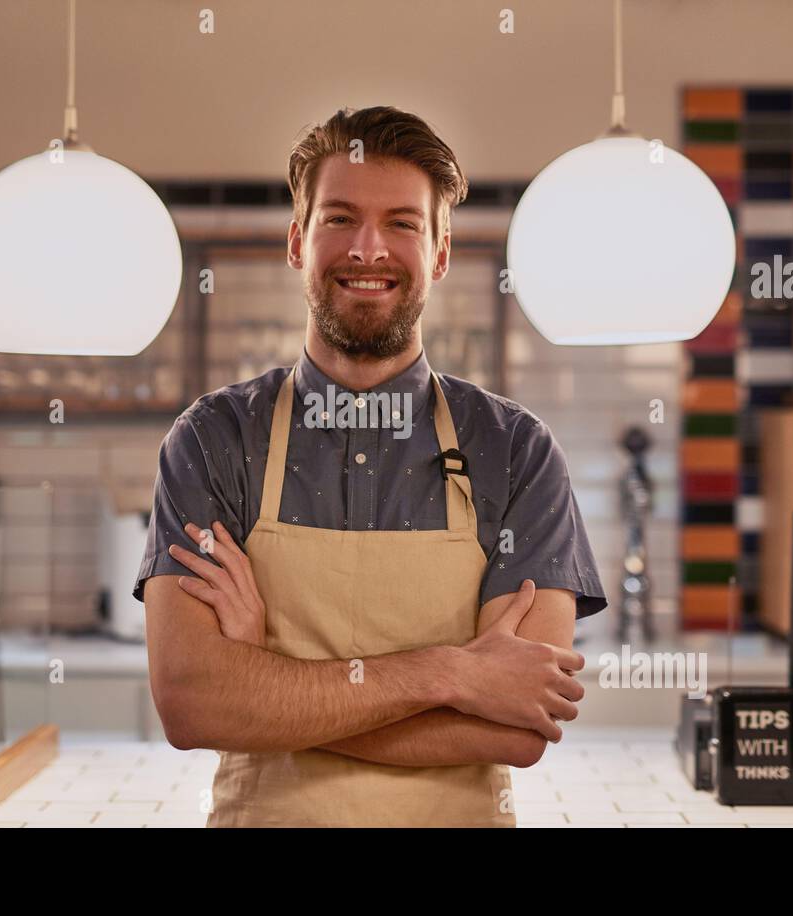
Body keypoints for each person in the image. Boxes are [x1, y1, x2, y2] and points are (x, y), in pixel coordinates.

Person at [134, 105, 607, 827]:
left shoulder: (515, 450)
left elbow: (517, 726)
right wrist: (451, 673)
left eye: (403, 224)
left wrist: (268, 687)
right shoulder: (215, 439)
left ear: (440, 253)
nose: (367, 248)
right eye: (340, 219)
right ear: (298, 241)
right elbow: (192, 703)